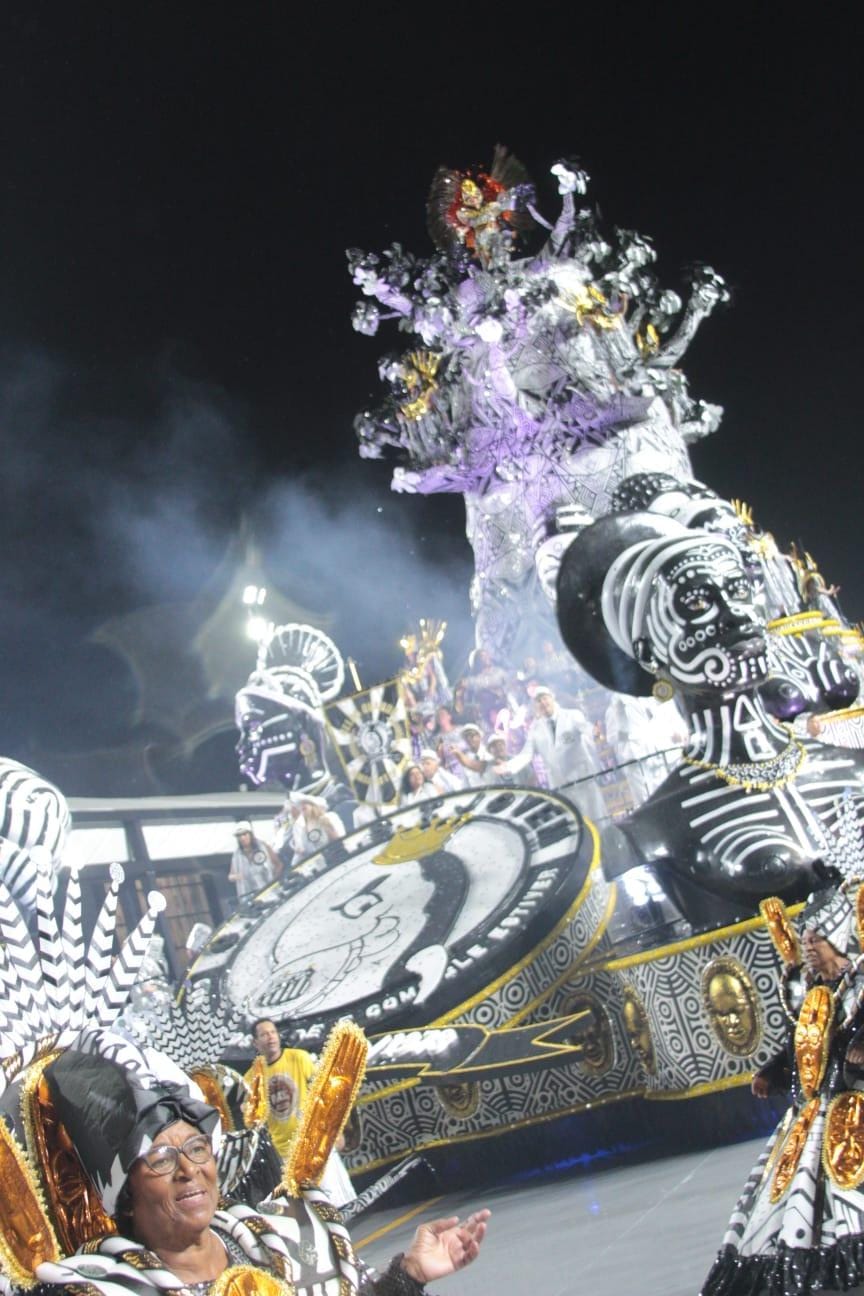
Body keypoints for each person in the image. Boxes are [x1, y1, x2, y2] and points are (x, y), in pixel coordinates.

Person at [32, 1030, 489, 1296]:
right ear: (126, 1196)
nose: (188, 1169)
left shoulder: (280, 1242)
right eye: (160, 1158)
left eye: (196, 1149)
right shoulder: (104, 1288)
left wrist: (409, 1274)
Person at [702, 890, 864, 1295]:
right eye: (806, 942)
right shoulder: (810, 989)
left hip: (850, 1104)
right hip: (811, 1110)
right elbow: (799, 1044)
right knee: (799, 1186)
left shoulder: (859, 985)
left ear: (836, 938)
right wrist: (771, 1073)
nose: (809, 948)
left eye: (816, 940)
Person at [244, 1017, 354, 1206]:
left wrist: (336, 1130)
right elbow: (254, 1120)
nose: (270, 1037)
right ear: (255, 1042)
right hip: (286, 1154)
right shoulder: (251, 1078)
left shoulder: (299, 1058)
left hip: (315, 1142)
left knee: (340, 1201)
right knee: (314, 1209)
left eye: (272, 1032)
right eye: (264, 1034)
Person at [494, 686, 606, 822]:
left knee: (599, 819)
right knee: (577, 826)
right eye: (538, 701)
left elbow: (586, 728)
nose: (543, 703)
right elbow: (526, 754)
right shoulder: (535, 728)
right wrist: (509, 767)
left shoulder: (572, 715)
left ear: (552, 698)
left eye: (545, 698)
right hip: (561, 786)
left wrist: (595, 733)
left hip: (583, 780)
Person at [227, 821, 280, 900]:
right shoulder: (236, 855)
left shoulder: (263, 846)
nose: (242, 838)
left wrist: (274, 882)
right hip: (250, 899)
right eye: (239, 836)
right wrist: (235, 877)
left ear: (250, 834)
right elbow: (230, 875)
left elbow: (278, 864)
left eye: (244, 834)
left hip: (270, 894)